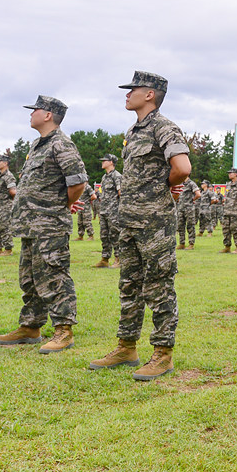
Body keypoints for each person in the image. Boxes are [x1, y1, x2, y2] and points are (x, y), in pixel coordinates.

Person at [89, 70, 191, 380]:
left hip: (154, 222)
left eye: (133, 88)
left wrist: (162, 188)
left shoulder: (165, 127)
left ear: (150, 94)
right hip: (129, 221)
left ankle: (162, 354)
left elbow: (182, 168)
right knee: (129, 285)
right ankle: (126, 346)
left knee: (158, 287)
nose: (127, 93)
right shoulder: (133, 132)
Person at [0, 96, 88, 353]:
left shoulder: (62, 144)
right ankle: (30, 326)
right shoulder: (37, 144)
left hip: (50, 225)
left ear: (48, 115)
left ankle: (64, 330)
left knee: (54, 276)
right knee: (30, 278)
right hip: (30, 225)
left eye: (35, 109)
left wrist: (60, 205)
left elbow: (78, 182)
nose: (31, 113)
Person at [95, 154, 123, 268]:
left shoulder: (117, 176)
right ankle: (105, 259)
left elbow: (121, 193)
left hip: (114, 211)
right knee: (104, 235)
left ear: (111, 162)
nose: (102, 162)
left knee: (115, 234)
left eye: (104, 160)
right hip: (104, 210)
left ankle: (118, 259)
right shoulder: (104, 177)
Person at [0, 156, 17, 256]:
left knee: (5, 227)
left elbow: (13, 191)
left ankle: (8, 249)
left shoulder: (9, 176)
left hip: (5, 207)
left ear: (5, 163)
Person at [175, 176, 201, 250]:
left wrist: (192, 200)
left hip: (189, 208)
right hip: (180, 208)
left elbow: (198, 194)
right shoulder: (180, 183)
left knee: (190, 226)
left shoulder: (191, 183)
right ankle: (182, 243)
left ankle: (191, 244)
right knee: (180, 226)